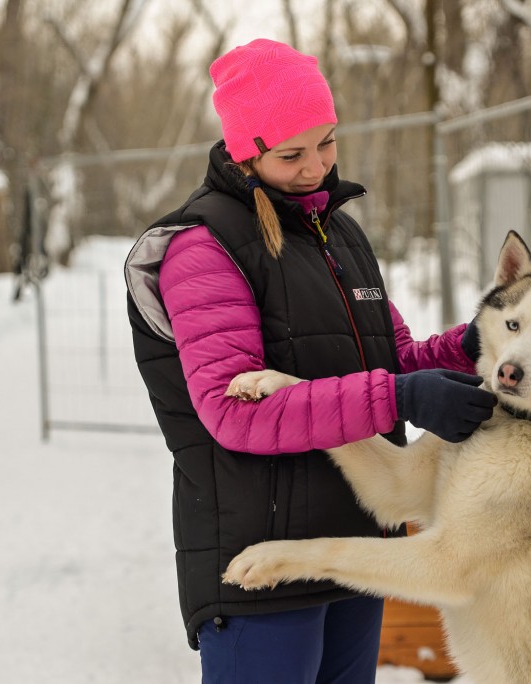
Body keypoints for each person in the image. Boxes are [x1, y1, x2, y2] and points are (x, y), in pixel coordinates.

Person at [125, 38, 495, 683]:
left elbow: (396, 357)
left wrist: (479, 342)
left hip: (350, 548)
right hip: (262, 557)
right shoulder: (204, 247)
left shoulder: (339, 233)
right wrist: (400, 400)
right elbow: (232, 413)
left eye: (327, 143)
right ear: (246, 150)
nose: (316, 167)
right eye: (291, 153)